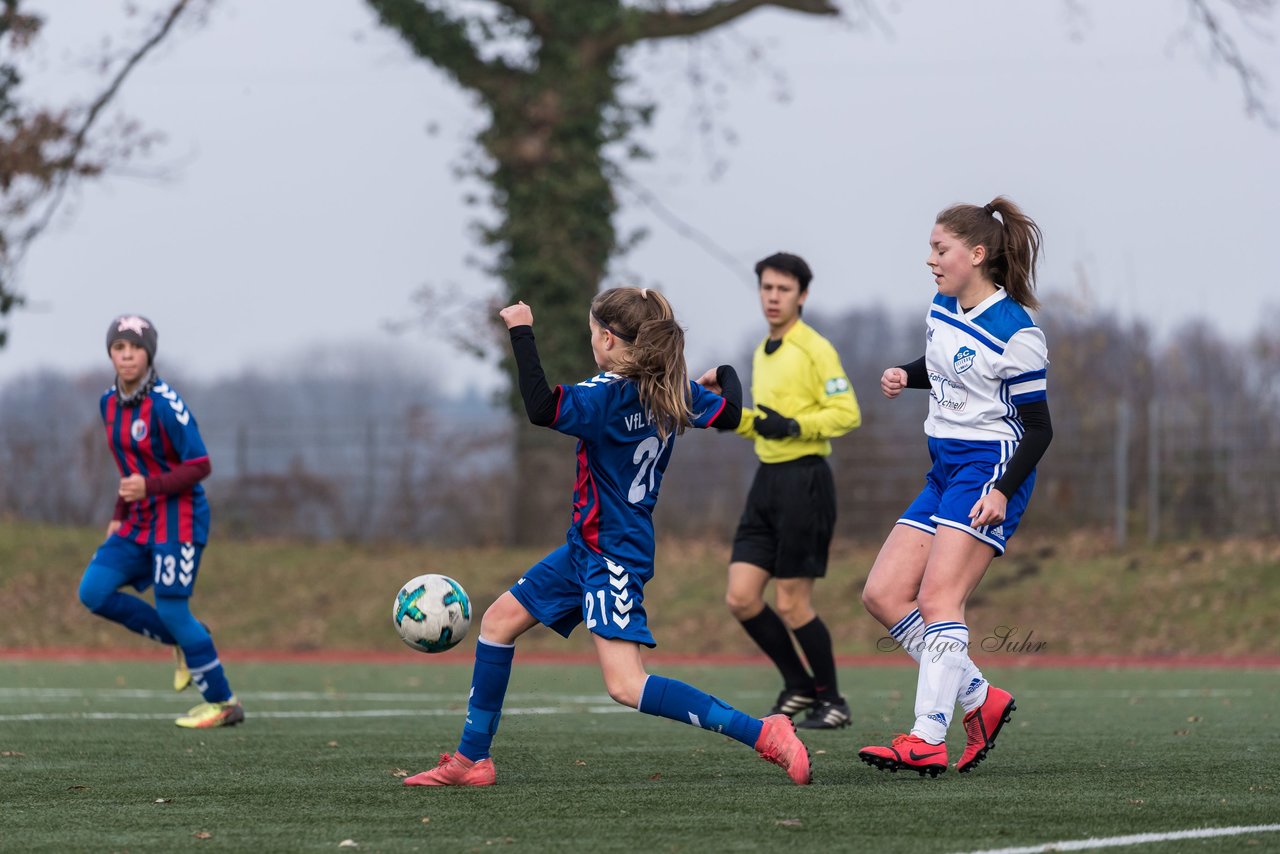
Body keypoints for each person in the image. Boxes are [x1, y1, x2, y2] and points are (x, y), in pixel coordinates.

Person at [404, 288, 810, 787]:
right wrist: (715, 379)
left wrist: (521, 330)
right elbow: (730, 410)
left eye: (592, 332)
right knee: (498, 621)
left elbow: (539, 407)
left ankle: (764, 733)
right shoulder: (669, 388)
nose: (591, 341)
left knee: (627, 685)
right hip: (586, 547)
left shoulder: (607, 394)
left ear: (608, 338)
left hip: (612, 553)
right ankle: (472, 761)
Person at [858, 197, 1051, 776]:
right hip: (943, 468)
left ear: (977, 254)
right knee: (884, 595)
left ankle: (925, 737)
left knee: (940, 601)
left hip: (989, 469)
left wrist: (1000, 490)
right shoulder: (944, 304)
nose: (931, 260)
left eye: (940, 250)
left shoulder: (1018, 332)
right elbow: (947, 365)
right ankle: (980, 699)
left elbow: (1039, 429)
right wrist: (906, 374)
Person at [699, 252, 861, 730]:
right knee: (742, 597)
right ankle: (798, 685)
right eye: (767, 288)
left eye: (783, 289)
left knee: (792, 603)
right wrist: (731, 417)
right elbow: (764, 427)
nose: (773, 297)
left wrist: (792, 424)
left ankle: (832, 700)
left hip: (805, 482)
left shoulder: (815, 348)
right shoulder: (760, 351)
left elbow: (847, 413)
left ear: (802, 296)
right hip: (766, 484)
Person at [78, 315, 243, 729]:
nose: (127, 355)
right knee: (93, 591)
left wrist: (148, 488)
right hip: (136, 520)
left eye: (135, 347)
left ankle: (224, 703)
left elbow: (201, 465)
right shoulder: (108, 403)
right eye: (119, 348)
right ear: (111, 354)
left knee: (172, 609)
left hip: (179, 517)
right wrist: (119, 514)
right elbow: (126, 467)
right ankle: (190, 637)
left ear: (149, 354)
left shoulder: (167, 404)